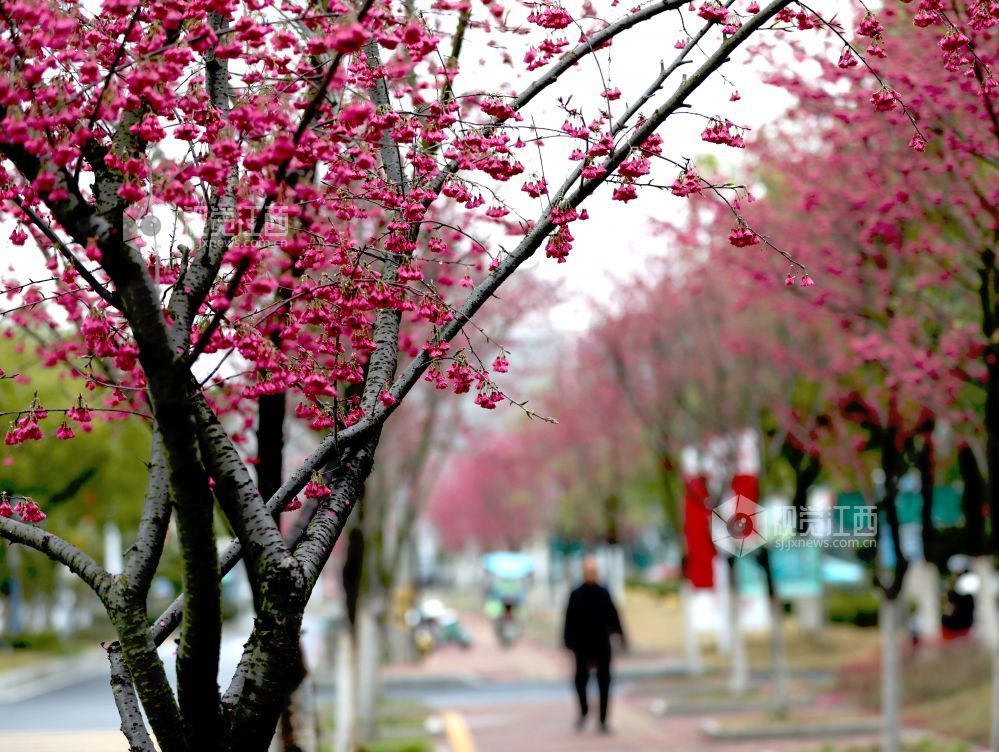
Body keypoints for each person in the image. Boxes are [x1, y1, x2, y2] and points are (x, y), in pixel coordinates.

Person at [563, 555, 625, 732]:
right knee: (580, 681)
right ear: (584, 572)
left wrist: (621, 636)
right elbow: (569, 619)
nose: (591, 573)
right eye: (588, 570)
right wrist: (567, 641)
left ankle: (603, 720)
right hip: (582, 645)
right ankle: (583, 711)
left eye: (594, 570)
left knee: (604, 682)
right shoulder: (576, 594)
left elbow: (614, 616)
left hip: (601, 644)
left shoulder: (604, 592)